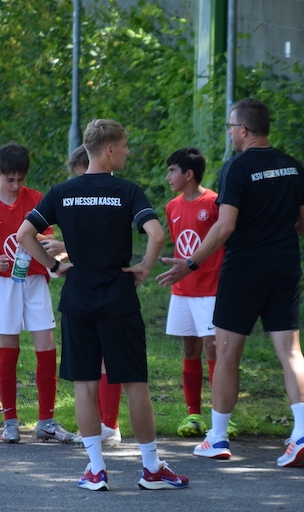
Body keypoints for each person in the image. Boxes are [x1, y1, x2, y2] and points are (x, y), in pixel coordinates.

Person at [17, 119, 189, 491]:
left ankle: (96, 469)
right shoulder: (127, 191)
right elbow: (156, 234)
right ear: (109, 149)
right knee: (135, 383)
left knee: (85, 384)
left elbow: (24, 233)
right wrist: (144, 266)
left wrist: (53, 267)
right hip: (118, 298)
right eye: (124, 146)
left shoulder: (63, 192)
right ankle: (151, 468)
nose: (127, 152)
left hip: (77, 298)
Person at [158, 98, 304, 468]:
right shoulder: (292, 165)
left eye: (231, 128)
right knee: (291, 351)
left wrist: (191, 263)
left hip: (244, 269)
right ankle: (301, 434)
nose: (230, 134)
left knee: (227, 352)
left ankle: (217, 438)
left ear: (243, 130)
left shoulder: (237, 167)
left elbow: (225, 225)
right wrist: (274, 230)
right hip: (285, 267)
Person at [0, 142, 77, 444]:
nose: (16, 186)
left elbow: (49, 238)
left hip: (35, 280)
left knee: (46, 345)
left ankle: (47, 420)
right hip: (6, 284)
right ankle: (10, 420)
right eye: (10, 179)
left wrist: (46, 245)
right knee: (8, 348)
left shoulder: (36, 199)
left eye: (21, 179)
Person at [45, 145, 123, 447]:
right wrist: (64, 254)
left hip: (105, 287)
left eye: (84, 173)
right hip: (89, 285)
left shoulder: (115, 194)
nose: (83, 181)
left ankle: (109, 425)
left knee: (104, 360)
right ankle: (106, 425)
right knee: (96, 361)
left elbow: (105, 242)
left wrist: (65, 248)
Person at [162, 147, 224, 437]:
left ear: (189, 174)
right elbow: (180, 245)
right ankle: (193, 414)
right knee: (189, 348)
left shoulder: (214, 203)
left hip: (210, 288)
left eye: (172, 171)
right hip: (183, 290)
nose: (168, 177)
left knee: (214, 348)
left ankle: (222, 416)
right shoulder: (172, 206)